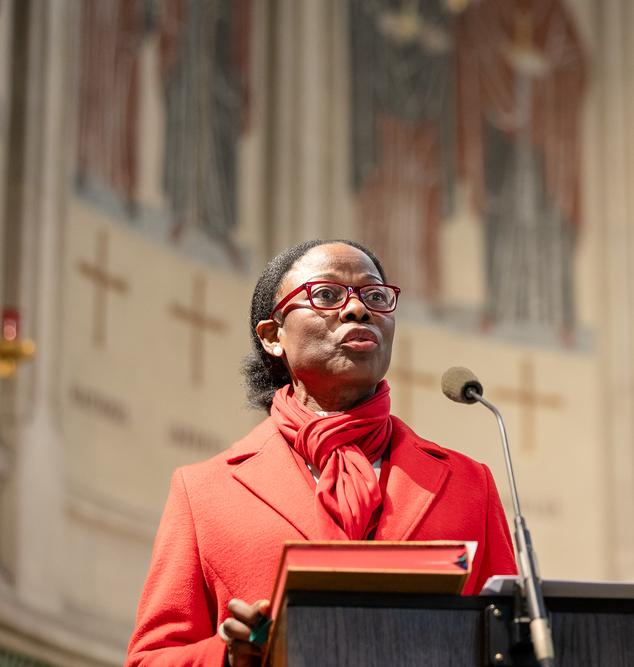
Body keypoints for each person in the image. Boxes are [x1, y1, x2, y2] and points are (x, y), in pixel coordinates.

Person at [125, 240, 517, 667]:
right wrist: (228, 655)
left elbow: (512, 640)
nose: (358, 309)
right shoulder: (204, 491)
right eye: (326, 294)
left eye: (375, 296)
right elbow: (150, 659)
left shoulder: (468, 484)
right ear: (273, 337)